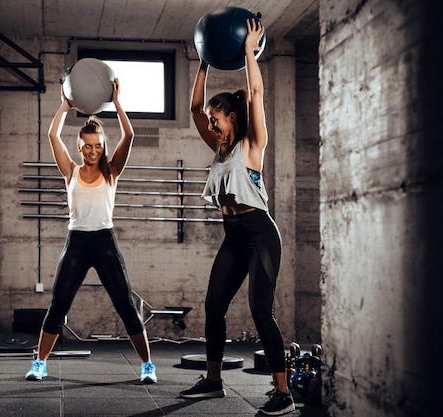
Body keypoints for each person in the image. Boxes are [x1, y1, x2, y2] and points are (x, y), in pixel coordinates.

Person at [179, 20, 294, 415]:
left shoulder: (251, 144)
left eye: (217, 119)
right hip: (233, 236)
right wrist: (203, 62)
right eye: (212, 122)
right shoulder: (221, 148)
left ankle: (283, 392)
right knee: (214, 305)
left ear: (232, 116)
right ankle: (213, 381)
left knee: (261, 310)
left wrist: (248, 50)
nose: (211, 125)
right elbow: (195, 108)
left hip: (261, 234)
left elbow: (257, 91)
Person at [24, 78, 157, 385]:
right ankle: (40, 363)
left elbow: (130, 134)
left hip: (105, 242)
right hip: (77, 243)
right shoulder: (70, 171)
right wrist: (65, 105)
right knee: (58, 305)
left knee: (125, 305)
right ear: (80, 146)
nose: (94, 151)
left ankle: (148, 365)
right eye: (88, 146)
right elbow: (51, 135)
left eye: (99, 146)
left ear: (102, 147)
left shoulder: (112, 172)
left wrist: (117, 102)